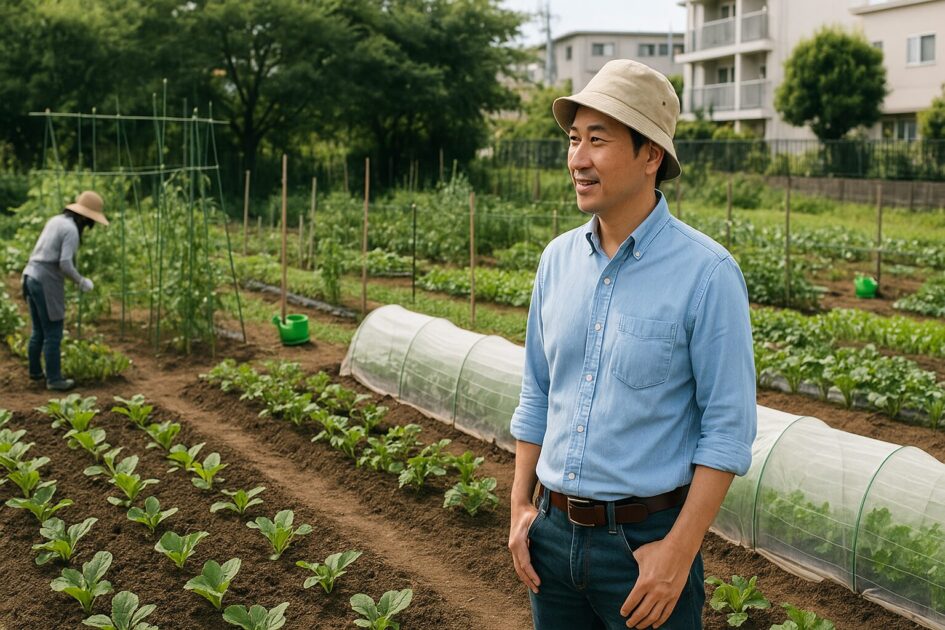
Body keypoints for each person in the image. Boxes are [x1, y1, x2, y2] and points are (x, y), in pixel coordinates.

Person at [507, 59, 757, 630]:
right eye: (574, 140)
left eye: (599, 140)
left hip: (645, 550)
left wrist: (677, 553)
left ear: (651, 157)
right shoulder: (556, 262)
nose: (578, 158)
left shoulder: (707, 273)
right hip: (550, 539)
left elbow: (727, 431)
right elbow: (537, 393)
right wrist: (521, 507)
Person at [21, 190, 108, 391]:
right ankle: (54, 379)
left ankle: (35, 373)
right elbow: (65, 263)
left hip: (29, 275)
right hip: (45, 280)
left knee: (38, 330)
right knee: (53, 331)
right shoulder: (71, 230)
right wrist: (81, 281)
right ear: (86, 217)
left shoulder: (56, 220)